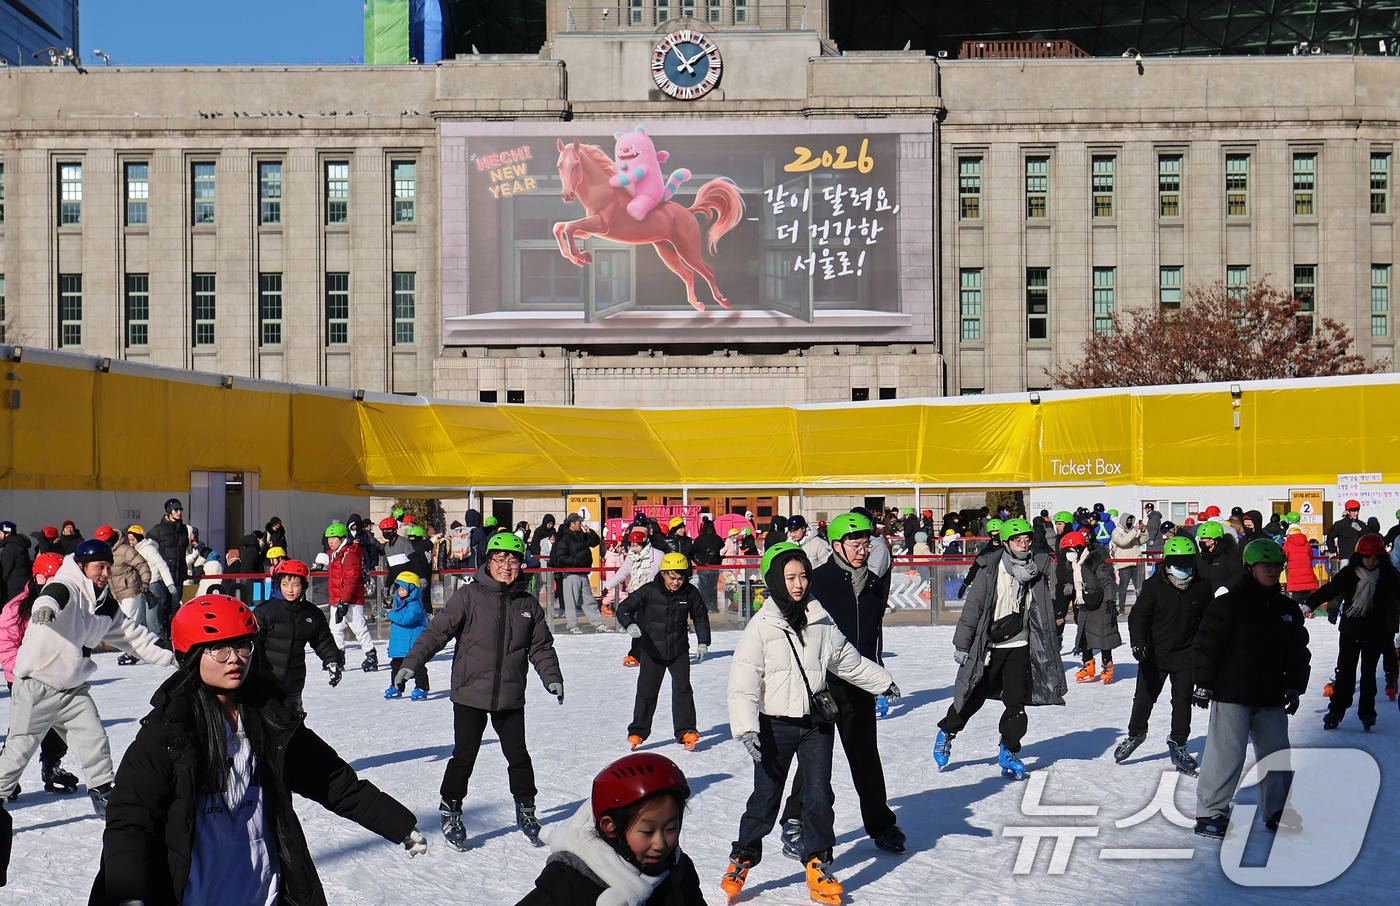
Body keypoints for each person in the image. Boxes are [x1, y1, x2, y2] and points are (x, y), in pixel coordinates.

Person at [88, 594, 426, 905]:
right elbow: (131, 818)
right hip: (193, 892)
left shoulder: (271, 719)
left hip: (262, 889)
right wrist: (128, 893)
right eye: (219, 649)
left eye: (242, 645)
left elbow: (331, 780)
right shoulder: (168, 732)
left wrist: (397, 824)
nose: (234, 659)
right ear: (190, 655)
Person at [722, 542, 897, 906]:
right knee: (766, 799)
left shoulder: (820, 617)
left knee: (818, 797)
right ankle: (742, 857)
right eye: (790, 577)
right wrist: (746, 728)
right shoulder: (761, 627)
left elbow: (846, 660)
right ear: (774, 580)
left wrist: (881, 682)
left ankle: (818, 863)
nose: (799, 584)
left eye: (803, 576)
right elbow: (743, 682)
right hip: (775, 727)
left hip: (817, 724)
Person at [0, 539, 175, 869]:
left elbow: (133, 636)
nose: (105, 573)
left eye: (108, 567)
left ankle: (103, 794)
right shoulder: (68, 584)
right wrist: (44, 606)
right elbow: (55, 594)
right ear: (82, 566)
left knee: (95, 740)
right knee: (19, 748)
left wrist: (171, 654)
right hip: (37, 683)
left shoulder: (105, 603)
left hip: (72, 688)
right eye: (99, 567)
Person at [394, 531, 563, 851]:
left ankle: (527, 809)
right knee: (464, 755)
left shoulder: (528, 604)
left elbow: (541, 646)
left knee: (518, 756)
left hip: (510, 694)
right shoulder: (469, 597)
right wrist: (411, 663)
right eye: (500, 559)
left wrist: (552, 677)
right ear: (489, 561)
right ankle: (451, 809)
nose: (506, 566)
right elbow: (436, 632)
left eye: (513, 560)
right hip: (470, 692)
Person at [778, 512, 905, 861]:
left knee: (865, 756)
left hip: (859, 684)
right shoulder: (818, 582)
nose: (863, 551)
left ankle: (880, 824)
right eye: (855, 544)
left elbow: (874, 636)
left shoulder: (875, 585)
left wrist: (877, 674)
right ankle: (794, 820)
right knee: (815, 760)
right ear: (837, 546)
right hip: (821, 685)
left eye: (866, 545)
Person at [1192, 538, 1310, 838]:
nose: (1273, 571)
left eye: (1278, 566)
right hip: (1232, 693)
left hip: (1271, 695)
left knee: (1276, 754)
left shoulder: (1287, 609)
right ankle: (1210, 812)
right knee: (1227, 755)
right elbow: (1207, 644)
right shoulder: (1229, 603)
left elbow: (1298, 652)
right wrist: (1203, 683)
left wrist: (1294, 687)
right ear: (1249, 567)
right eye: (1266, 565)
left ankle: (1277, 811)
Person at [933, 518, 1066, 779]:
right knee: (973, 695)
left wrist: (1052, 636)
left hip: (1020, 645)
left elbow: (1043, 608)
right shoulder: (990, 569)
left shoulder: (1036, 568)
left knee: (1016, 704)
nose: (1023, 545)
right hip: (991, 646)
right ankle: (947, 731)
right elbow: (973, 609)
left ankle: (1009, 750)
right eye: (1018, 541)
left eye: (1027, 540)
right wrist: (962, 644)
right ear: (1006, 543)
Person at [514, 752, 704, 906]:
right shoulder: (569, 882)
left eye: (670, 828)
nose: (660, 844)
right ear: (610, 827)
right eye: (647, 832)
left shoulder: (677, 869)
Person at [1116, 536, 1212, 774]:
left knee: (1182, 701)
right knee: (1144, 698)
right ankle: (1136, 734)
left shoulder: (1201, 586)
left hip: (1185, 654)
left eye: (1187, 564)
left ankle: (1178, 744)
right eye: (1178, 565)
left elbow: (1210, 621)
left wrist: (1206, 651)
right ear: (1167, 564)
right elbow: (1139, 616)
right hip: (1154, 653)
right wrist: (1138, 642)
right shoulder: (1154, 586)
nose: (1184, 570)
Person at [0, 552, 81, 795]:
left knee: (58, 726)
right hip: (25, 678)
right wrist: (22, 672)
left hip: (58, 677)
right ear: (38, 578)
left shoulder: (67, 604)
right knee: (23, 730)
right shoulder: (16, 608)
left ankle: (52, 765)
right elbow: (6, 646)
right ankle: (6, 775)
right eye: (53, 578)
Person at [1305, 533, 1400, 729]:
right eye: (1367, 557)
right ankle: (1336, 710)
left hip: (1375, 632)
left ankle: (1367, 712)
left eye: (1375, 558)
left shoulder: (1387, 575)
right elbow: (1331, 589)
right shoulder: (1349, 573)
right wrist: (1309, 604)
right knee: (1346, 672)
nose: (1371, 562)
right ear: (1359, 556)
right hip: (1351, 631)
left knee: (1368, 674)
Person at [617, 552, 710, 750]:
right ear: (663, 574)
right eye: (672, 578)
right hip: (653, 651)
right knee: (647, 691)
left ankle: (686, 730)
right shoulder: (649, 591)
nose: (676, 582)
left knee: (683, 689)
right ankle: (638, 731)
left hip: (678, 650)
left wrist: (703, 642)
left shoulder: (690, 593)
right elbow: (624, 608)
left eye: (680, 578)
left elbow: (700, 616)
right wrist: (630, 623)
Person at [253, 559, 344, 715]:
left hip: (293, 682)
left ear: (304, 586)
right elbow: (254, 644)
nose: (290, 590)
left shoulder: (312, 613)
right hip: (266, 682)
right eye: (285, 584)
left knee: (295, 722)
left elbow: (323, 640)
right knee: (268, 723)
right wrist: (252, 672)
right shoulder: (265, 611)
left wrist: (332, 661)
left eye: (295, 585)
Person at [1062, 530, 1120, 684]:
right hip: (1084, 603)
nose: (1069, 553)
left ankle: (1107, 664)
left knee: (1104, 634)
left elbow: (1107, 581)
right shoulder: (1075, 564)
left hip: (1100, 602)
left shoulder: (1093, 562)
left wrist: (1110, 600)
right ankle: (1088, 664)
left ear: (1079, 548)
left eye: (1070, 550)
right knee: (1084, 635)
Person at [325, 522, 377, 672]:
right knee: (335, 629)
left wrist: (345, 600)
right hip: (337, 599)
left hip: (351, 600)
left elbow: (351, 579)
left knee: (359, 628)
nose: (330, 541)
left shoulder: (349, 555)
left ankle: (371, 656)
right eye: (329, 538)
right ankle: (338, 658)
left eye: (333, 538)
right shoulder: (334, 555)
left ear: (342, 539)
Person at [98, 525, 153, 664]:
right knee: (122, 622)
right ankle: (134, 650)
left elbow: (142, 565)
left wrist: (145, 582)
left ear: (111, 538)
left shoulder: (125, 550)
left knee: (128, 622)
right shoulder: (105, 552)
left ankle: (133, 652)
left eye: (106, 541)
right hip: (116, 592)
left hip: (130, 590)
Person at [553, 513, 609, 633]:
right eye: (579, 522)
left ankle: (598, 623)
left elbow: (594, 542)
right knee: (571, 600)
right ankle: (572, 625)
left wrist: (590, 532)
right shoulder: (565, 537)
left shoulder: (581, 535)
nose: (581, 524)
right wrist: (576, 562)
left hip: (583, 572)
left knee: (589, 599)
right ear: (572, 523)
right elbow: (561, 556)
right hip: (571, 573)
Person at [383, 570, 430, 701]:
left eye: (403, 589)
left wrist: (389, 613)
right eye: (399, 588)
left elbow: (405, 619)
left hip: (412, 644)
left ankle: (422, 687)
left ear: (412, 589)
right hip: (400, 644)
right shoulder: (398, 603)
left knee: (417, 667)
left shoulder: (415, 605)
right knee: (396, 666)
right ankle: (396, 686)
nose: (400, 591)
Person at [147, 498, 190, 633]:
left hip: (179, 573)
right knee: (163, 606)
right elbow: (147, 546)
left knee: (175, 606)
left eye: (180, 509)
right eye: (176, 510)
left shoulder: (183, 529)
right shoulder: (158, 529)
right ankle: (163, 634)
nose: (179, 512)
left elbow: (184, 549)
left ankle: (172, 633)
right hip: (164, 575)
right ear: (169, 512)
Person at [1194, 521, 1244, 595]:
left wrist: (1226, 587)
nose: (1201, 541)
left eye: (1203, 539)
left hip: (1223, 597)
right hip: (1205, 597)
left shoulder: (1229, 555)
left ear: (1213, 540)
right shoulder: (1203, 556)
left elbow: (1239, 574)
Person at [1110, 514, 1147, 610]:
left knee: (1139, 587)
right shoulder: (1116, 531)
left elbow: (1141, 541)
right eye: (1128, 521)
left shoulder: (1133, 532)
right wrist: (1134, 531)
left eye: (1131, 521)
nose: (1129, 523)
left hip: (1136, 562)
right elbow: (1122, 542)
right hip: (1124, 563)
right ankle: (1121, 607)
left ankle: (1142, 606)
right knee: (1123, 587)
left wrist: (1144, 532)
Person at [690, 518, 724, 612]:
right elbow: (722, 547)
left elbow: (693, 552)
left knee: (704, 587)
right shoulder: (718, 539)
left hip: (703, 566)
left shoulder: (699, 540)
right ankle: (713, 607)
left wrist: (699, 562)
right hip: (715, 566)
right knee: (713, 587)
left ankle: (704, 606)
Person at [1282, 525, 1320, 607]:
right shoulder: (1306, 543)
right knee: (1307, 591)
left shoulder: (1287, 544)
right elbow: (1310, 553)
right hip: (1307, 570)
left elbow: (1284, 555)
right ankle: (1308, 608)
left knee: (1296, 592)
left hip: (1294, 572)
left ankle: (1298, 607)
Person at [0, 520, 31, 603]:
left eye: (0, 533)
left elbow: (4, 571)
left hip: (12, 589)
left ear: (7, 534)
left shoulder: (10, 548)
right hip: (23, 586)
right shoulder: (20, 545)